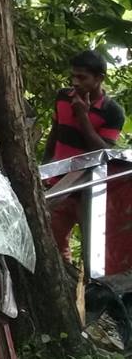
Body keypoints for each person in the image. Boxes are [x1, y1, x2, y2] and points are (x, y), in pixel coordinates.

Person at [43, 50, 125, 263]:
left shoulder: (112, 112)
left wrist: (82, 116)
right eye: (73, 76)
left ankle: (91, 292)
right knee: (54, 248)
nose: (75, 82)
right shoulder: (63, 97)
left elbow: (102, 154)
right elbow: (55, 132)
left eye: (82, 77)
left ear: (99, 78)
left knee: (94, 254)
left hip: (91, 192)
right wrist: (43, 170)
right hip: (60, 186)